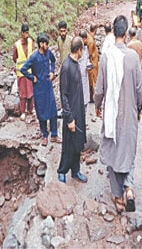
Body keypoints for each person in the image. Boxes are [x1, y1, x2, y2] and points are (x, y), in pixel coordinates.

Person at [95, 15, 142, 213]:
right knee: (128, 149)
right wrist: (141, 108)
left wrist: (97, 105)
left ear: (114, 31)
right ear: (125, 33)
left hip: (112, 114)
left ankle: (118, 197)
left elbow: (99, 89)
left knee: (114, 150)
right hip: (130, 112)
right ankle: (130, 188)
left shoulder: (106, 57)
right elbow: (140, 88)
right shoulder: (133, 57)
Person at [58, 36, 88, 183]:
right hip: (70, 113)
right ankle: (62, 170)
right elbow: (63, 95)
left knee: (78, 143)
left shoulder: (76, 63)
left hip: (79, 110)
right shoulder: (66, 67)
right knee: (68, 144)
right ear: (79, 50)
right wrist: (69, 117)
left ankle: (76, 171)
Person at [21, 33, 59, 146]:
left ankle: (54, 134)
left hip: (48, 86)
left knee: (53, 110)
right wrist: (32, 78)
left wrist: (52, 72)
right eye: (46, 43)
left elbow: (53, 60)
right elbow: (23, 69)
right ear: (41, 44)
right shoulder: (33, 57)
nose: (47, 45)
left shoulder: (48, 53)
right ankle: (44, 135)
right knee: (41, 112)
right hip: (39, 89)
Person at [12, 23, 35, 122]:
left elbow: (33, 53)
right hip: (21, 73)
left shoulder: (30, 42)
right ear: (21, 33)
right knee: (22, 93)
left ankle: (30, 109)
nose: (27, 35)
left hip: (29, 71)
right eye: (25, 33)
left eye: (27, 33)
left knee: (31, 91)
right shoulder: (17, 45)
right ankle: (22, 112)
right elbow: (14, 58)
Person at [86, 25, 99, 102]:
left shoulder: (90, 36)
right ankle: (92, 97)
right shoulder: (90, 40)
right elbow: (89, 53)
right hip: (93, 63)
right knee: (92, 81)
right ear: (95, 30)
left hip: (94, 61)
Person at [78, 30, 91, 105]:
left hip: (85, 74)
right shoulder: (77, 49)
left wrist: (88, 64)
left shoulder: (85, 48)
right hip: (78, 73)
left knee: (85, 94)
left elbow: (87, 59)